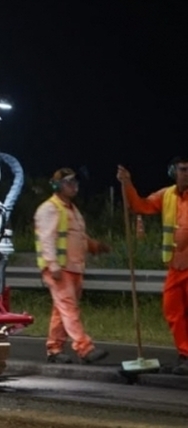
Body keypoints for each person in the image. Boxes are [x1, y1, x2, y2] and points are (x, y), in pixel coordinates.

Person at [116, 157, 188, 375]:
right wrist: (127, 183)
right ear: (173, 172)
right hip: (175, 269)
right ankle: (185, 354)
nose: (187, 174)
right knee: (173, 311)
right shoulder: (166, 195)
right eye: (183, 170)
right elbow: (139, 206)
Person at [34, 168, 110, 364]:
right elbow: (46, 239)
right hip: (60, 269)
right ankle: (84, 348)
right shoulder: (49, 209)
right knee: (69, 309)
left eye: (75, 182)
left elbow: (78, 237)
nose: (74, 186)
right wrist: (52, 265)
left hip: (74, 268)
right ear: (57, 185)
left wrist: (94, 246)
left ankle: (54, 349)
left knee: (61, 310)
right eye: (69, 182)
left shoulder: (72, 210)